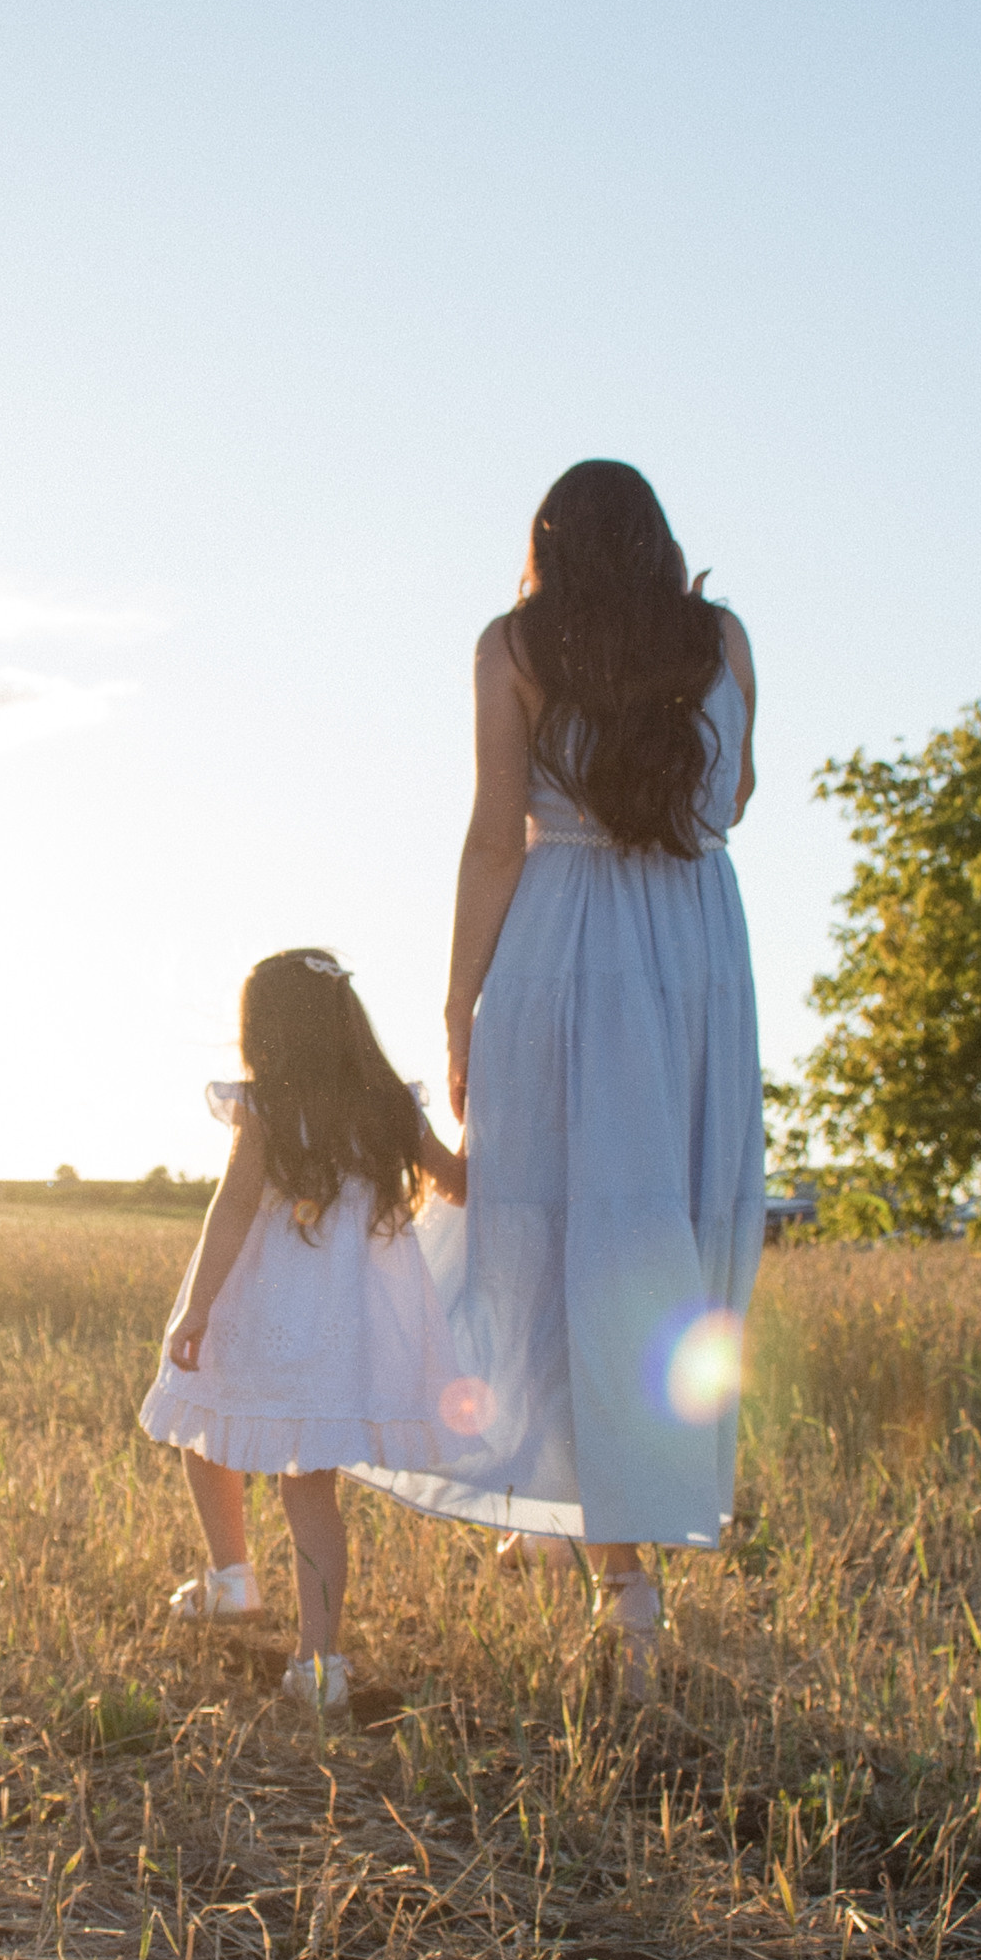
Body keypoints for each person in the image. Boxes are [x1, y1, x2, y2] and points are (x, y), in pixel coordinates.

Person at [351, 460, 763, 1691]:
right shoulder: (723, 635)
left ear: (546, 546)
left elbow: (493, 832)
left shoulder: (514, 645)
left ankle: (620, 1576)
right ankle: (618, 1547)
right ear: (657, 542)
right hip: (695, 949)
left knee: (551, 1235)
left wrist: (458, 1002)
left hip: (563, 942)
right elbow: (736, 794)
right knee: (662, 1239)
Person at [139, 949, 466, 1717]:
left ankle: (232, 1579)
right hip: (343, 1331)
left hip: (258, 1308)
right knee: (309, 1486)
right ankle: (320, 1665)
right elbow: (458, 1183)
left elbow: (233, 1210)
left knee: (204, 1416)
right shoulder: (393, 1109)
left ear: (268, 1030)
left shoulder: (267, 1107)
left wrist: (197, 1308)